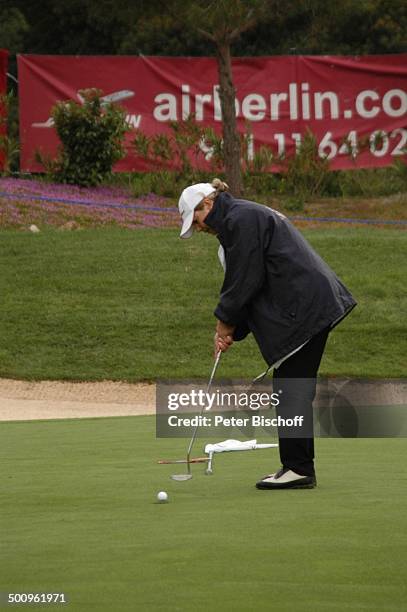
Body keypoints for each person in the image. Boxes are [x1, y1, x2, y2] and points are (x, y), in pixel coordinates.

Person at [178, 178, 356, 490]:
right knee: (291, 387)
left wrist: (224, 322)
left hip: (305, 306)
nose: (200, 229)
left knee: (291, 388)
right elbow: (254, 286)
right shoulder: (238, 219)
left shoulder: (239, 220)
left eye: (197, 220)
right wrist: (234, 329)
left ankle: (298, 469)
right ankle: (298, 467)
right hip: (305, 305)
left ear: (207, 204)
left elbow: (245, 279)